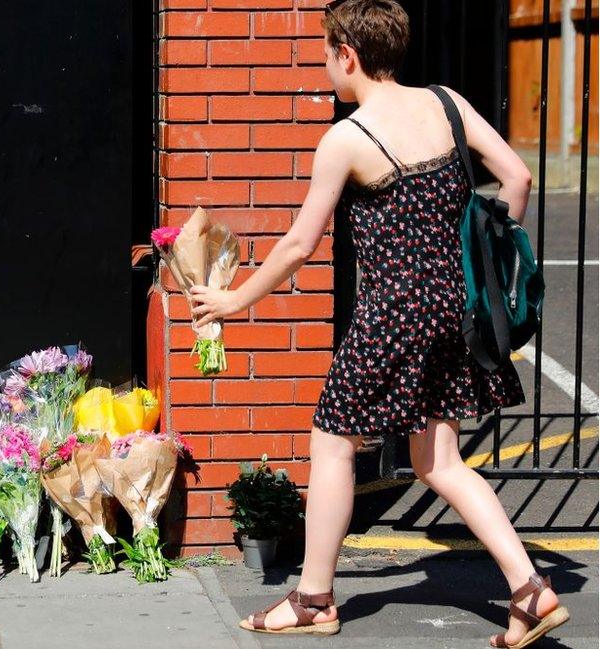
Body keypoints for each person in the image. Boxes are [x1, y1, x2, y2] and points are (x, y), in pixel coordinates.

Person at [188, 1, 569, 646]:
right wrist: (491, 250)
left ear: (348, 56)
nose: (325, 66)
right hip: (456, 308)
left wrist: (233, 302)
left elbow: (298, 246)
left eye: (326, 53)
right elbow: (518, 176)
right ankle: (530, 590)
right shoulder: (447, 103)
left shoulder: (347, 137)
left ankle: (313, 601)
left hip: (392, 313)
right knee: (439, 459)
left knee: (333, 440)